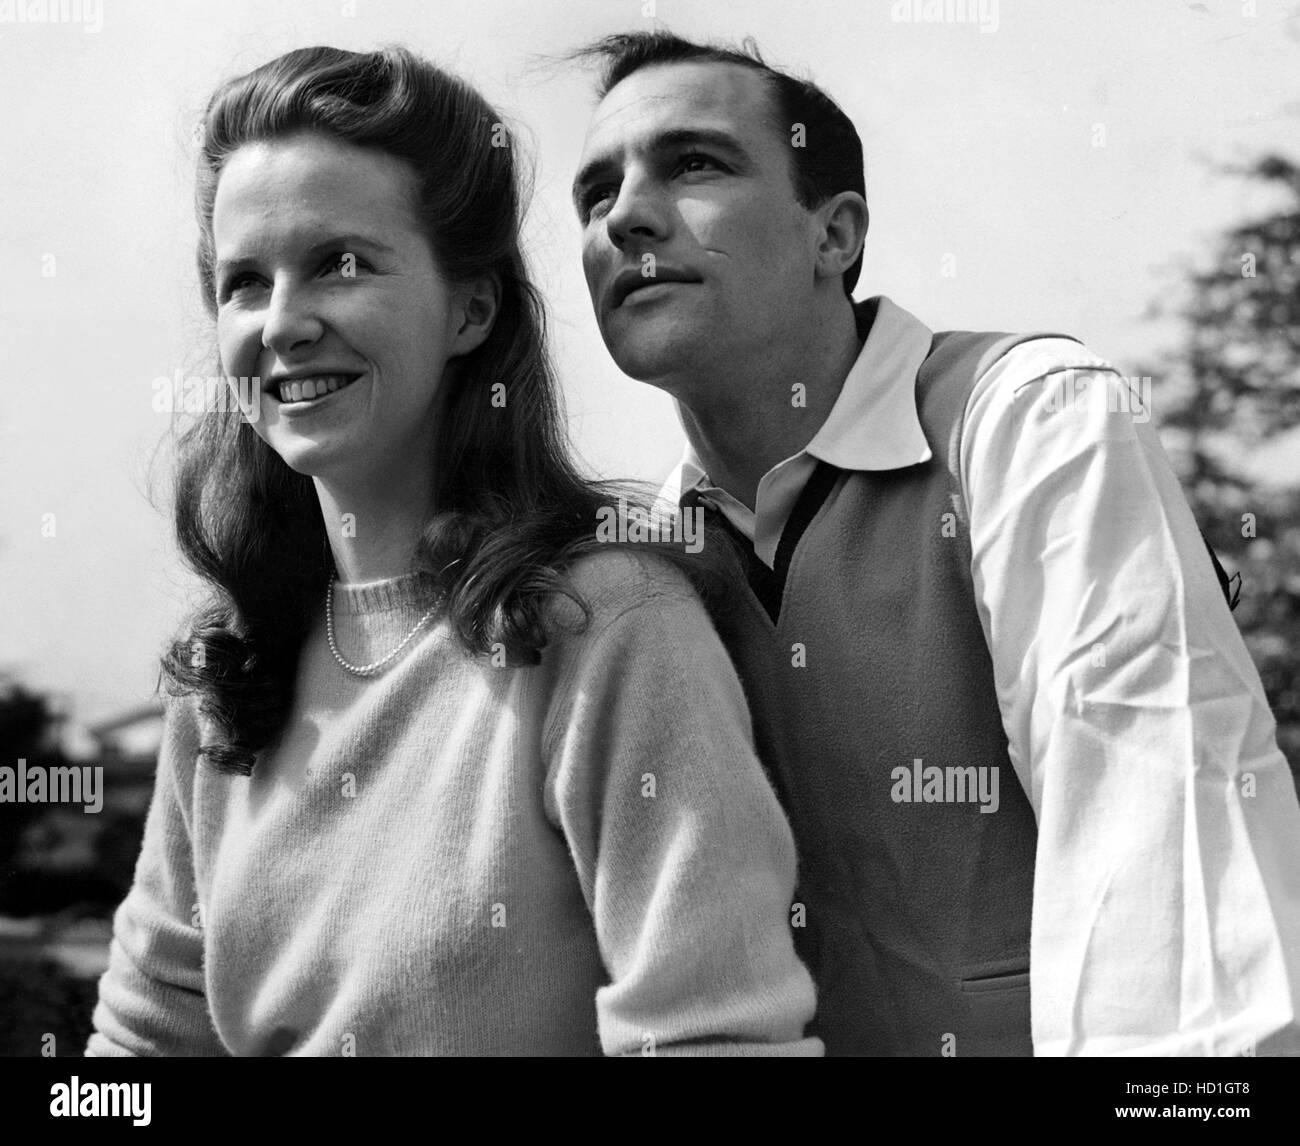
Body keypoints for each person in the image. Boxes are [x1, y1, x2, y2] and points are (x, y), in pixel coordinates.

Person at [569, 30, 1300, 1056]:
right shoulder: (638, 571)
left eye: (693, 163)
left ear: (836, 234)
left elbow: (1165, 852)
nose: (625, 217)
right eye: (593, 195)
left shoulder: (1030, 420)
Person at [86, 44, 821, 1057]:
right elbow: (139, 1048)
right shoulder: (226, 660)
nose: (284, 323)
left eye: (340, 263)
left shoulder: (606, 623)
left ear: (470, 309)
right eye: (244, 282)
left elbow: (717, 1039)